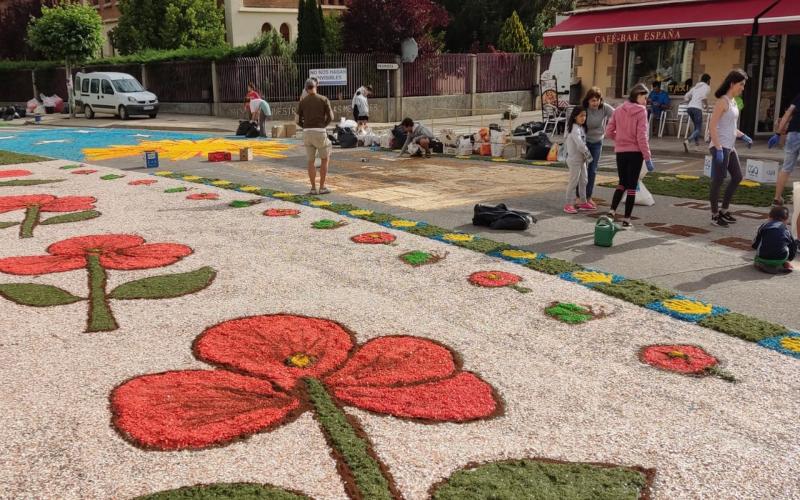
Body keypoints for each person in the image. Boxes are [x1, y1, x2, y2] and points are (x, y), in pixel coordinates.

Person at [604, 83, 655, 229]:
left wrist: (620, 139)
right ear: (638, 95)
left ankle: (611, 211)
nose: (646, 101)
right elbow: (642, 137)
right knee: (632, 186)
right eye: (645, 97)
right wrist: (648, 157)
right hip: (635, 152)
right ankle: (626, 220)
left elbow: (608, 132)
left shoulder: (619, 109)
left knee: (622, 183)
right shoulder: (641, 111)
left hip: (620, 151)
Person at [708, 69, 752, 228]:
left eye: (744, 85)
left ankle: (724, 210)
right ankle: (714, 215)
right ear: (732, 84)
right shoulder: (722, 102)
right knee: (718, 181)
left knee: (737, 177)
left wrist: (743, 135)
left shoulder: (733, 102)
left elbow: (730, 127)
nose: (743, 88)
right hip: (720, 146)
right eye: (741, 84)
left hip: (730, 146)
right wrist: (718, 148)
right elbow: (712, 126)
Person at [297, 78, 334, 195]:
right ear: (315, 86)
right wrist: (324, 125)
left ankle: (313, 188)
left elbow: (297, 120)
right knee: (325, 159)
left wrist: (304, 126)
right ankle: (322, 187)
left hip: (307, 132)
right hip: (320, 131)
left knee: (310, 161)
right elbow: (331, 117)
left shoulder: (303, 101)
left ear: (306, 88)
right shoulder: (324, 99)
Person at [580, 87, 615, 208]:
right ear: (588, 101)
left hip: (597, 142)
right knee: (581, 169)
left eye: (598, 100)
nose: (596, 103)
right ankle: (579, 197)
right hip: (584, 142)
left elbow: (617, 115)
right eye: (593, 100)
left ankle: (588, 197)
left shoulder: (604, 107)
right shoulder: (583, 109)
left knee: (592, 170)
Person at [768, 91, 800, 206]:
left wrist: (778, 133)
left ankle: (777, 199)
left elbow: (788, 113)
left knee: (786, 168)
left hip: (793, 134)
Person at [563, 106, 595, 214]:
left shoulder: (580, 127)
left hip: (581, 160)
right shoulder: (574, 128)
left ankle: (583, 201)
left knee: (584, 180)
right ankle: (568, 204)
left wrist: (586, 157)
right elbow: (580, 144)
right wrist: (588, 155)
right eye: (581, 115)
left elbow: (582, 143)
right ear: (575, 116)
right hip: (574, 160)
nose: (584, 118)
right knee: (573, 182)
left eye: (585, 115)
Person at [752, 206, 798, 273]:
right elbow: (793, 247)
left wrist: (756, 247)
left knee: (757, 257)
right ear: (786, 220)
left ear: (769, 217)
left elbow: (755, 243)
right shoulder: (786, 231)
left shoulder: (763, 226)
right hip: (781, 259)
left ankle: (760, 264)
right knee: (786, 245)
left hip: (763, 258)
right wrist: (789, 259)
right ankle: (785, 263)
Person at [683, 74, 711, 152]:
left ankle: (696, 146)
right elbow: (704, 97)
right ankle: (688, 141)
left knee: (696, 127)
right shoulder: (707, 87)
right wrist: (707, 106)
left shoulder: (695, 87)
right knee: (698, 128)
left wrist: (689, 100)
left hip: (690, 108)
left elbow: (686, 96)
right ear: (708, 80)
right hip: (697, 109)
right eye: (709, 81)